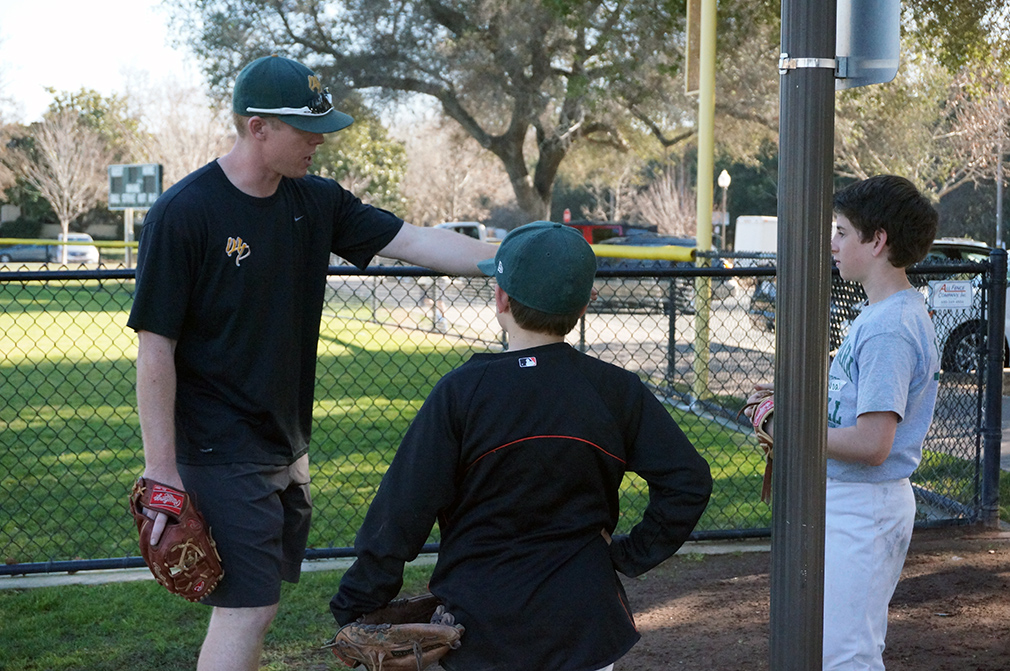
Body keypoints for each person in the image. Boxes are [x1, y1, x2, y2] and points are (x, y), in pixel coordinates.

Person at [126, 55, 496, 671]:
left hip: (283, 446)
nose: (319, 140)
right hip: (217, 447)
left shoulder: (315, 201)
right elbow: (154, 347)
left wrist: (510, 258)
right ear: (258, 127)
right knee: (246, 609)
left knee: (253, 607)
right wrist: (162, 471)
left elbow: (415, 241)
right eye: (305, 128)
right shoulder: (185, 212)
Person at [330, 221, 713, 671]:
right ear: (585, 305)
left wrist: (356, 603)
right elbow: (688, 482)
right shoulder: (616, 391)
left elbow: (401, 512)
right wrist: (629, 553)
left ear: (501, 299)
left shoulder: (462, 392)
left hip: (482, 626)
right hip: (585, 622)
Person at [748, 175, 940, 670]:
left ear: (877, 241)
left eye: (841, 231)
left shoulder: (888, 327)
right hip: (855, 502)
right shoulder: (879, 313)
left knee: (844, 655)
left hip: (866, 506)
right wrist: (792, 404)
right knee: (832, 647)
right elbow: (852, 408)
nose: (832, 243)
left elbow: (874, 442)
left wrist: (789, 431)